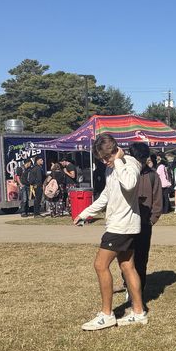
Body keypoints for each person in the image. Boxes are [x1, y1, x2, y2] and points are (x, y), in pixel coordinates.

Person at [74, 134, 147, 330]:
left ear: (116, 150)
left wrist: (119, 161)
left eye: (107, 157)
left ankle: (107, 314)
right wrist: (85, 213)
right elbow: (106, 196)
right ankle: (138, 312)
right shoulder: (111, 168)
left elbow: (129, 185)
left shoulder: (129, 164)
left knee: (100, 265)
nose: (105, 162)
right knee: (127, 266)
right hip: (119, 224)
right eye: (102, 159)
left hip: (121, 226)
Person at [128, 142, 164, 298]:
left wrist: (152, 219)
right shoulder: (125, 172)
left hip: (144, 223)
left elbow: (158, 200)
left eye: (143, 159)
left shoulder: (152, 175)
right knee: (126, 258)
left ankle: (139, 290)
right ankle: (128, 284)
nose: (140, 162)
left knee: (141, 258)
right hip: (126, 222)